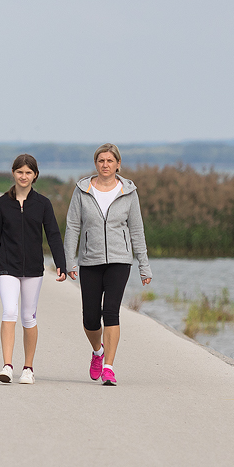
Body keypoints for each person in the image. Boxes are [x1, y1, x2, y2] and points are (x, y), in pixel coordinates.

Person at [64, 143, 151, 386]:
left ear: (118, 164)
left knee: (110, 311)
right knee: (90, 318)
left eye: (110, 161)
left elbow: (137, 230)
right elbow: (73, 227)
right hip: (90, 260)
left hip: (119, 261)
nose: (105, 165)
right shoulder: (82, 190)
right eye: (101, 161)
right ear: (96, 164)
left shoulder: (129, 192)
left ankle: (109, 367)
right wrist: (70, 261)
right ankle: (97, 352)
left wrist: (144, 266)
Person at [0, 154, 67, 385]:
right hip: (7, 267)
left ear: (35, 175)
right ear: (13, 173)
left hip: (33, 269)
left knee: (28, 316)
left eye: (28, 172)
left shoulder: (43, 204)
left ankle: (28, 368)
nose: (24, 176)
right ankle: (7, 366)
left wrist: (61, 263)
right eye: (20, 172)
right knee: (9, 311)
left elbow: (54, 236)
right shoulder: (1, 204)